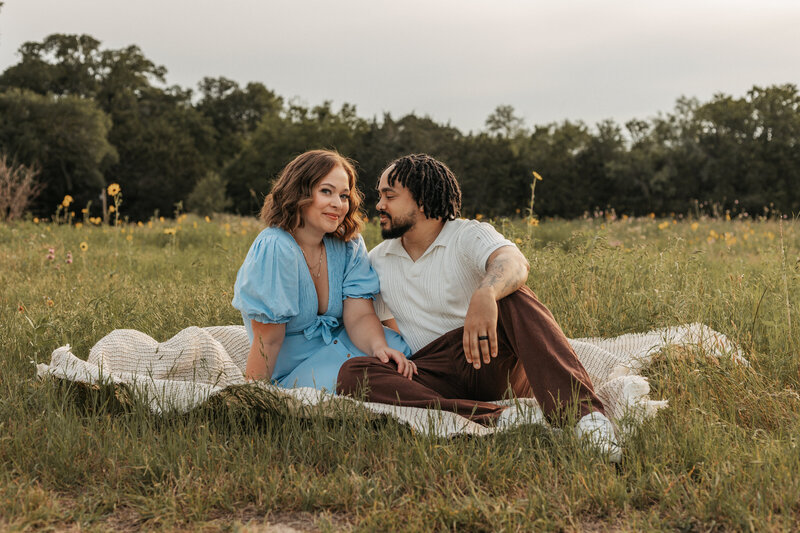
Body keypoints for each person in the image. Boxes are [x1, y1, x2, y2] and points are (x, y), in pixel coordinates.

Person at [336, 153, 621, 461]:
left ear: (420, 200)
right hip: (434, 370)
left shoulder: (468, 233)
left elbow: (513, 262)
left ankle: (586, 420)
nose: (379, 205)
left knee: (515, 296)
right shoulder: (378, 260)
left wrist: (485, 294)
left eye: (389, 196)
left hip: (490, 356)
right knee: (353, 373)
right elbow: (383, 323)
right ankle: (501, 419)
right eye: (379, 196)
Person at [231, 149, 415, 392]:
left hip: (348, 342)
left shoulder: (349, 244)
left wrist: (378, 347)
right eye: (326, 192)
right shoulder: (276, 247)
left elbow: (359, 315)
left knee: (401, 356)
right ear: (300, 193)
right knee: (365, 381)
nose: (338, 204)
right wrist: (253, 394)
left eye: (344, 195)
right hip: (297, 368)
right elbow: (269, 338)